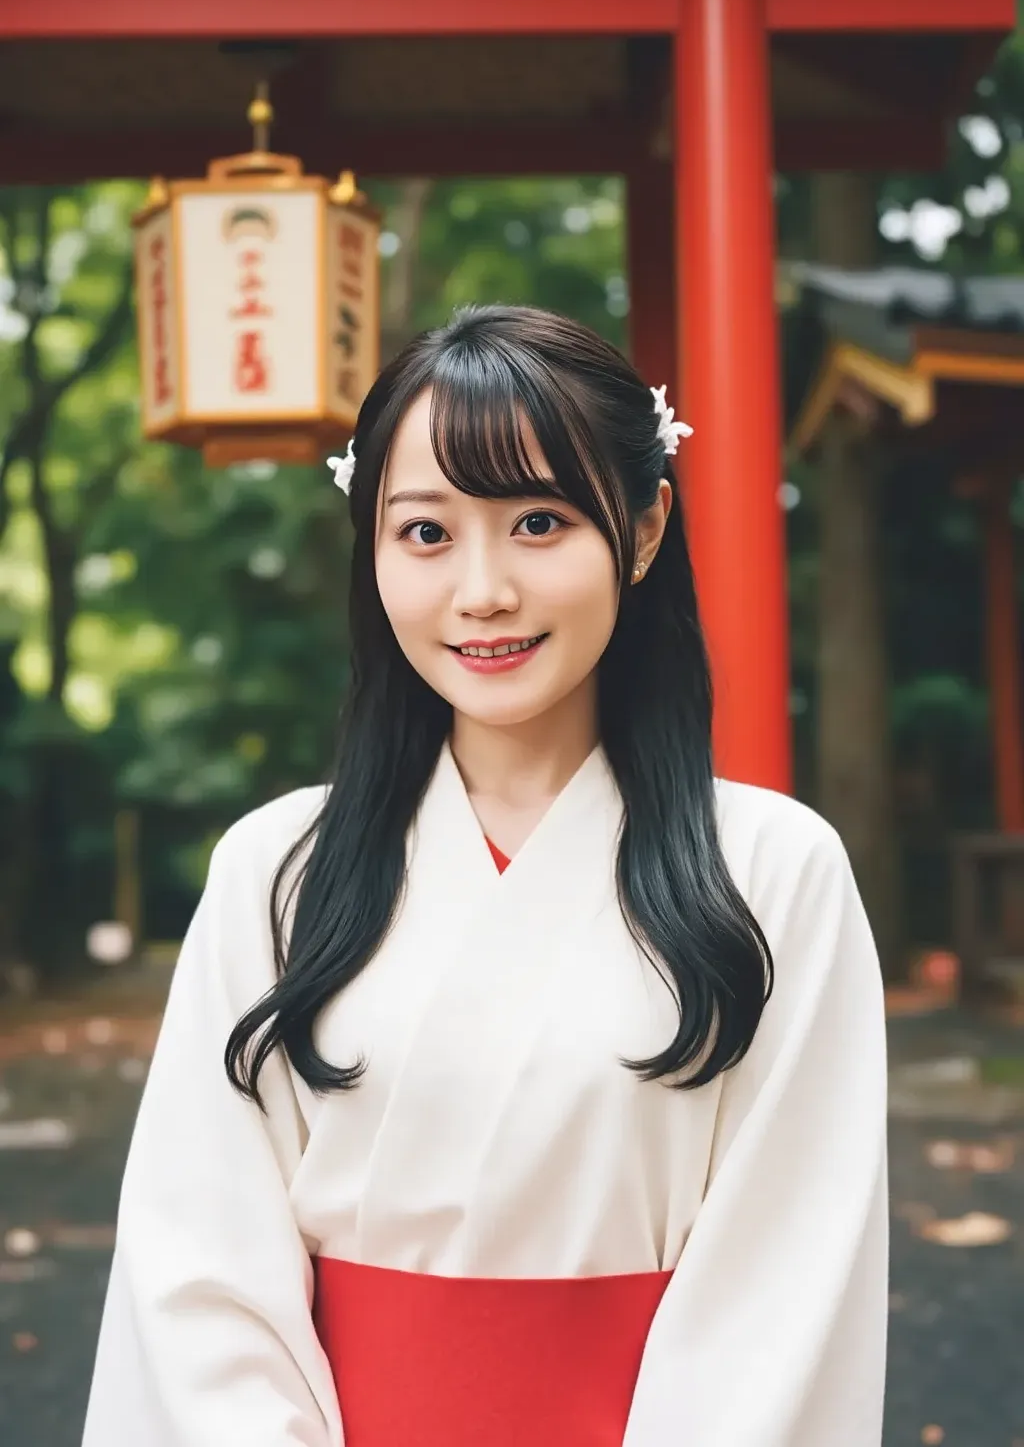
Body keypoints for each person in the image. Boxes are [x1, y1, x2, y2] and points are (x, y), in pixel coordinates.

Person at [81, 304, 889, 1447]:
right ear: (372, 546)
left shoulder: (773, 874)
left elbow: (788, 1285)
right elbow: (196, 1272)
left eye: (539, 522)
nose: (482, 590)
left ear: (645, 528)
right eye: (424, 533)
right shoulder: (275, 870)